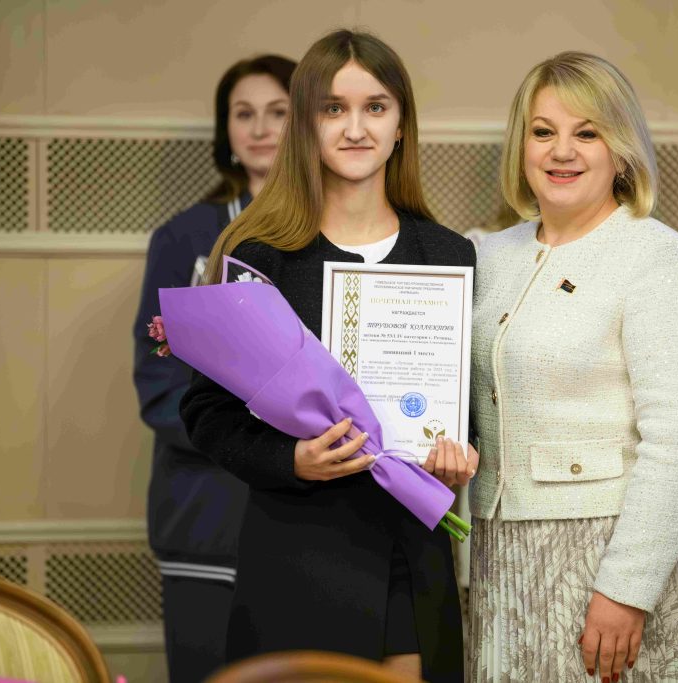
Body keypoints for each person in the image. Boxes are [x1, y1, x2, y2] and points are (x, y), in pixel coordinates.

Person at [179, 29, 477, 683]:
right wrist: (291, 459)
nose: (356, 128)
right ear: (306, 125)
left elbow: (467, 406)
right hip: (296, 553)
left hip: (410, 551)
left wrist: (460, 455)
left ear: (401, 125)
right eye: (333, 108)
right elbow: (205, 412)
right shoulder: (259, 253)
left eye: (376, 107)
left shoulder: (449, 254)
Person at [468, 52, 678, 682]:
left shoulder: (657, 257)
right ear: (521, 146)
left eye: (587, 133)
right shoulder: (488, 255)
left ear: (621, 151)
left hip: (608, 556)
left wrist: (626, 589)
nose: (561, 151)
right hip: (498, 552)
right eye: (543, 131)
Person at [132, 53, 296, 683]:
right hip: (205, 513)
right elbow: (159, 384)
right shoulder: (184, 238)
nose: (260, 128)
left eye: (278, 112)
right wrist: (253, 441)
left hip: (307, 515)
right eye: (243, 114)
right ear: (225, 130)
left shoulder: (333, 233)